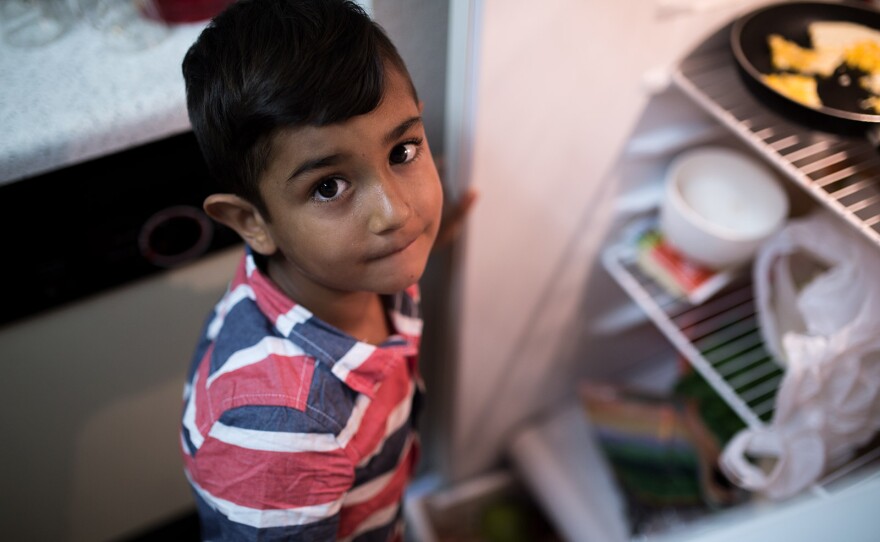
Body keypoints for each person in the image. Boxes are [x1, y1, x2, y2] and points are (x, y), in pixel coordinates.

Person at [178, 1, 470, 539]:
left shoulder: (355, 269)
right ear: (251, 221)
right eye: (328, 187)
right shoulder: (283, 435)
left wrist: (440, 229)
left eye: (403, 150)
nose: (396, 212)